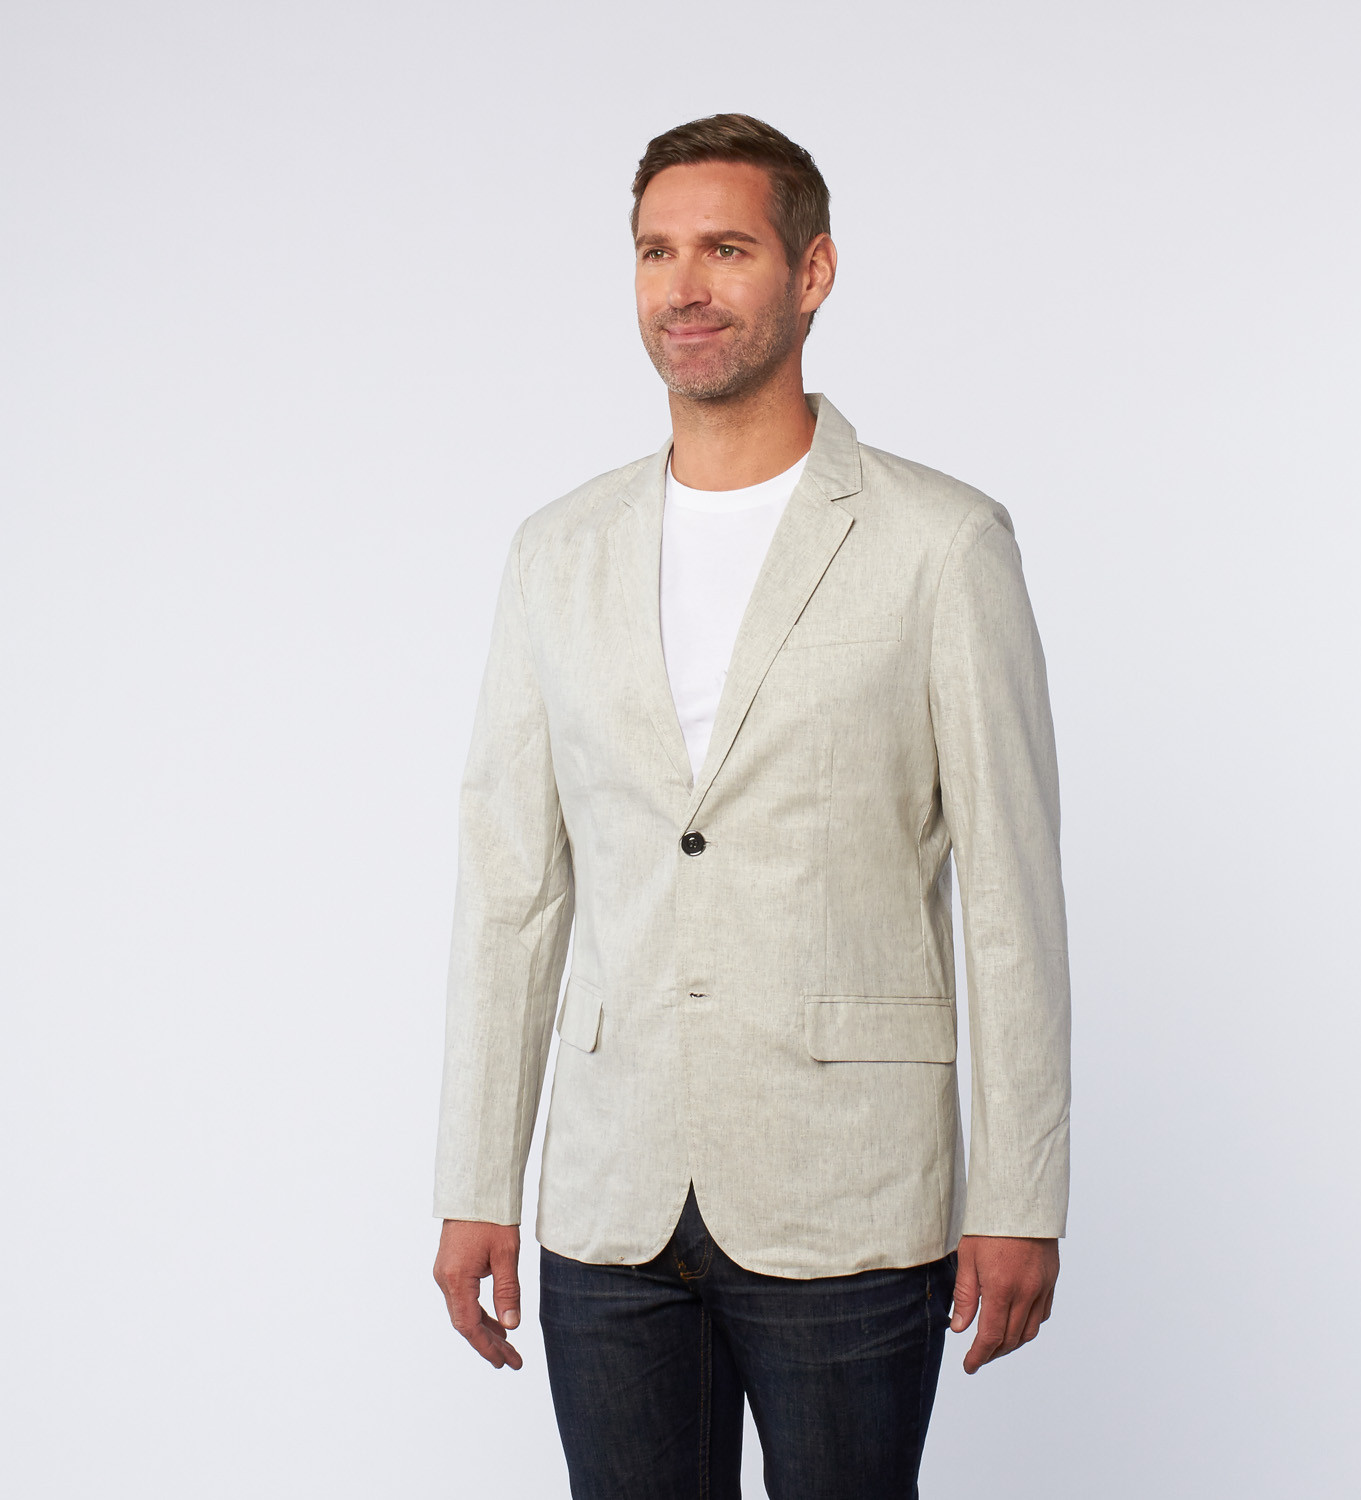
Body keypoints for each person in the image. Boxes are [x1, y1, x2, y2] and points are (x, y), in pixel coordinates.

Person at [431, 113, 1071, 1500]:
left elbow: (1012, 897)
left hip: (847, 1185)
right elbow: (511, 888)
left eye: (726, 249)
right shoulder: (557, 551)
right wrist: (477, 1177)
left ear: (813, 272)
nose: (686, 286)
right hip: (610, 1196)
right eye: (657, 252)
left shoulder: (943, 542)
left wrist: (1019, 1194)